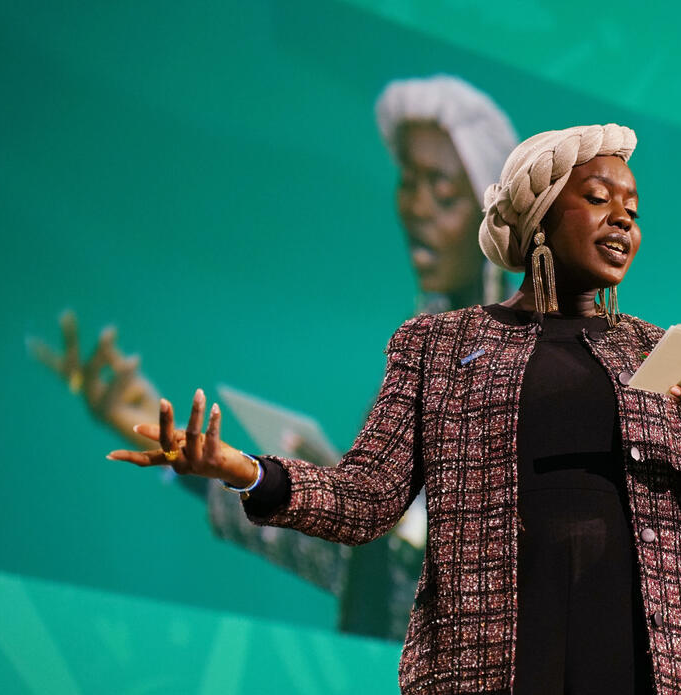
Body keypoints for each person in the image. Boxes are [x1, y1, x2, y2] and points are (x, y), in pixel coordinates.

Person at [109, 124, 681, 695]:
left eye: (635, 209)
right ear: (538, 211)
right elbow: (367, 498)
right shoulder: (437, 346)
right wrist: (249, 471)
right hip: (484, 691)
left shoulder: (663, 357)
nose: (624, 217)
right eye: (598, 197)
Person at [34, 74, 518, 641]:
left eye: (442, 188)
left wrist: (394, 524)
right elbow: (348, 568)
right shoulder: (419, 369)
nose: (415, 207)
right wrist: (185, 458)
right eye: (408, 181)